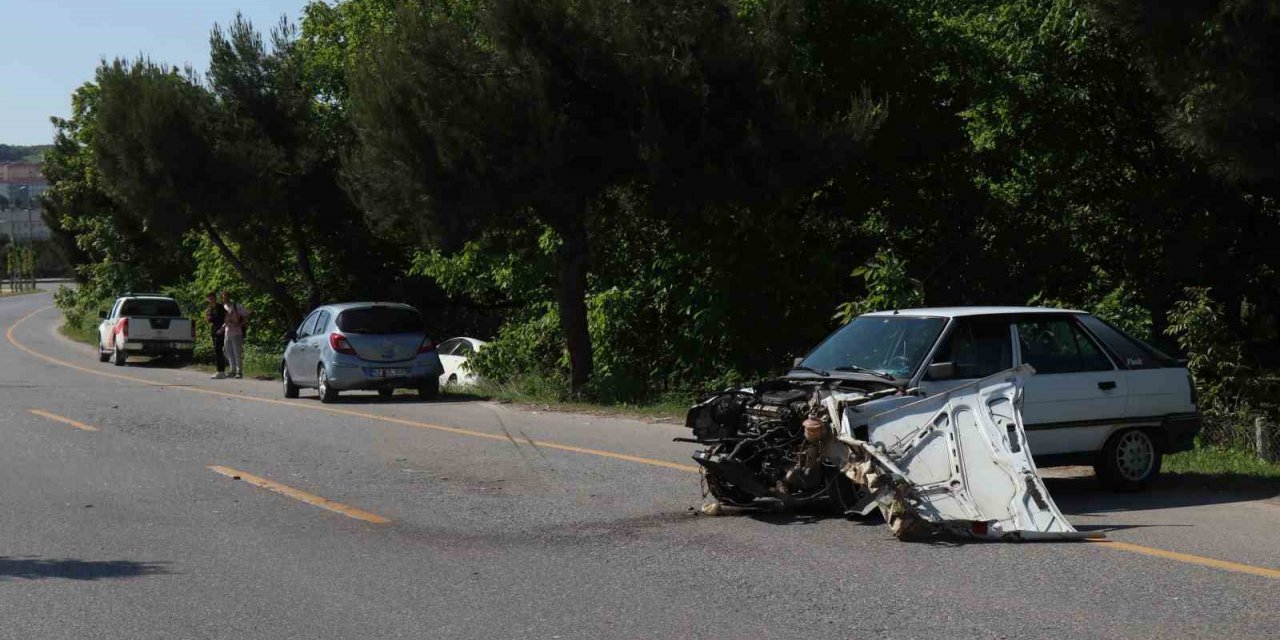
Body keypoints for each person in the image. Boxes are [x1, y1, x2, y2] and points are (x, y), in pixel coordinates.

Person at [221, 291, 250, 379]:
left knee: (237, 353)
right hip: (227, 332)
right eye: (223, 297)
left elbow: (247, 314)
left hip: (236, 332)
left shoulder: (237, 306)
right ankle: (232, 370)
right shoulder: (224, 307)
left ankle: (239, 371)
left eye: (226, 297)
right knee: (229, 352)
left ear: (229, 297)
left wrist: (240, 324)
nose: (224, 299)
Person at [205, 292, 228, 379]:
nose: (211, 300)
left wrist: (222, 329)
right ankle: (220, 371)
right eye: (209, 298)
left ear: (215, 298)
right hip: (214, 331)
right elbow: (209, 320)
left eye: (212, 298)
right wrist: (207, 316)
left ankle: (221, 371)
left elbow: (227, 319)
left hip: (221, 330)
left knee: (219, 350)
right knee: (217, 350)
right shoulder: (209, 309)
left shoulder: (221, 307)